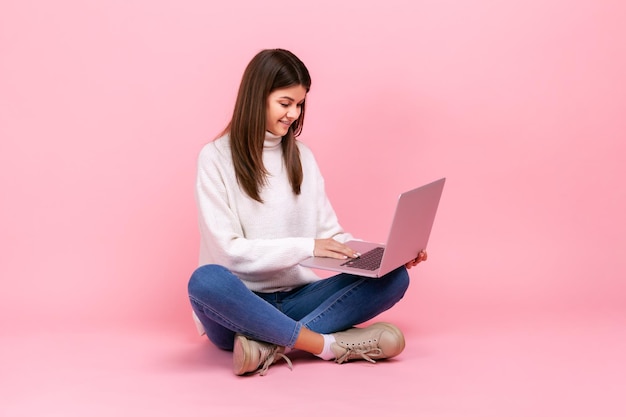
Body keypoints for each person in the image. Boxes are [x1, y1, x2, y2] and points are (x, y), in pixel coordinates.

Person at [187, 48, 428, 376]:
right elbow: (228, 254)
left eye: (299, 105)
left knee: (395, 277)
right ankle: (326, 345)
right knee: (205, 280)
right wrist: (306, 247)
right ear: (256, 98)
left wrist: (385, 257)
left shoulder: (302, 157)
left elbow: (331, 236)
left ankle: (267, 346)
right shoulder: (215, 158)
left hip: (299, 297)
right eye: (285, 103)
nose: (293, 114)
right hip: (239, 306)